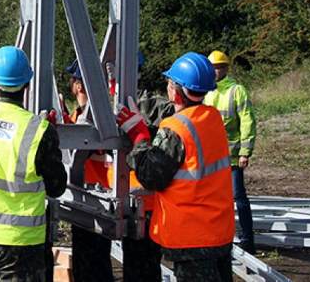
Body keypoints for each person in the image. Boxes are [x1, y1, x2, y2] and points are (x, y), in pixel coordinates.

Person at [118, 52, 234, 281]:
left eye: (170, 83)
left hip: (192, 238)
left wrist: (140, 136)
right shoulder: (212, 119)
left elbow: (151, 177)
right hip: (218, 232)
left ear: (176, 90)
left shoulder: (176, 129)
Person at [0, 46, 67, 282]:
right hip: (20, 240)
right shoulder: (38, 130)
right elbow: (56, 187)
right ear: (27, 85)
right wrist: (51, 137)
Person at [64, 59, 114, 282]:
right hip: (88, 195)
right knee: (95, 263)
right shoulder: (82, 116)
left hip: (93, 197)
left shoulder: (95, 119)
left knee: (93, 265)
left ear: (79, 86)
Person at [205, 49, 257, 254]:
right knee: (213, 199)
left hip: (232, 156)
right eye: (213, 67)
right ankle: (216, 237)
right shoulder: (205, 90)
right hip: (210, 156)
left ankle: (247, 241)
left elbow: (247, 121)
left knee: (238, 197)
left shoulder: (237, 90)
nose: (216, 71)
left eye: (219, 67)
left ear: (226, 68)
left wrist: (245, 151)